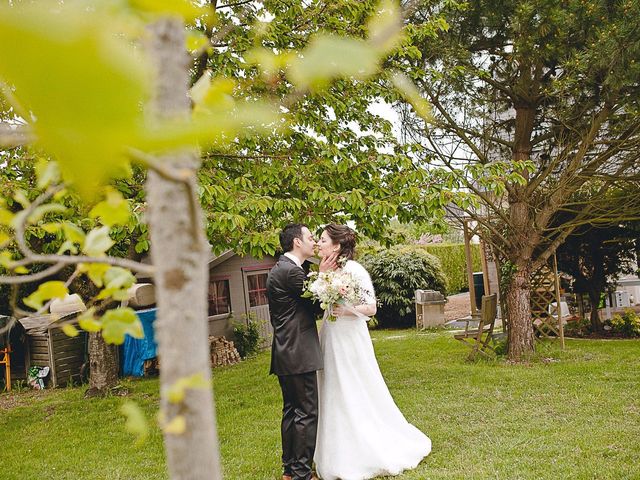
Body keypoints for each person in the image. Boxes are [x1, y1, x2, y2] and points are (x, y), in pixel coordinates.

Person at [313, 224, 432, 480]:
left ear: (336, 245)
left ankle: (366, 445)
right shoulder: (326, 271)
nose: (318, 243)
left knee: (353, 385)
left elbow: (371, 307)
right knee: (331, 386)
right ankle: (334, 450)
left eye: (322, 240)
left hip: (350, 337)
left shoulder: (355, 271)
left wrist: (344, 310)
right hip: (331, 336)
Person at [266, 223, 337, 480]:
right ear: (297, 242)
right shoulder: (292, 273)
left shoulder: (282, 269)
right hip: (298, 352)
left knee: (292, 411)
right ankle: (301, 474)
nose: (313, 242)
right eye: (309, 237)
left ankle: (290, 470)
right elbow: (319, 302)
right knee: (306, 413)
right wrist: (324, 274)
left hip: (287, 351)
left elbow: (310, 305)